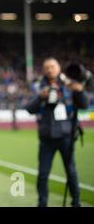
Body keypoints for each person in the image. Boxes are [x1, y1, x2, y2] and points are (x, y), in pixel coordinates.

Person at [26, 58, 88, 207]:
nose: (49, 70)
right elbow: (29, 108)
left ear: (59, 68)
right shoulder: (38, 86)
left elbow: (84, 104)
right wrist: (41, 97)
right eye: (46, 67)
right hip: (46, 138)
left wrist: (79, 91)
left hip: (66, 137)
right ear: (43, 70)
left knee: (71, 172)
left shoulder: (69, 84)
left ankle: (76, 202)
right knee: (43, 173)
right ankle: (42, 203)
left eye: (52, 66)